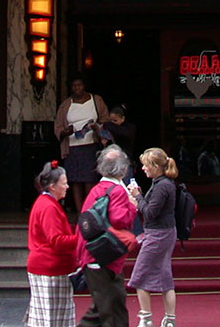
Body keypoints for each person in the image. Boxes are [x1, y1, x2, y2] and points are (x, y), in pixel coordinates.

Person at [76, 144, 137, 327]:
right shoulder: (117, 190)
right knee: (107, 309)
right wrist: (132, 206)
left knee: (111, 304)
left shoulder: (97, 189)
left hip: (95, 254)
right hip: (104, 255)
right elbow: (119, 219)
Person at [128, 148, 178, 327]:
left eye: (146, 165)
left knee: (140, 275)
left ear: (156, 166)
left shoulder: (162, 185)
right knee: (165, 276)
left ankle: (146, 317)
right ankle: (170, 319)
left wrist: (137, 197)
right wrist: (141, 198)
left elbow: (149, 213)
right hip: (166, 232)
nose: (143, 168)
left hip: (157, 233)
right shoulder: (164, 183)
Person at [25, 160, 78, 327]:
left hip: (47, 266)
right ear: (53, 186)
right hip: (50, 268)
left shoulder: (46, 203)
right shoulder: (48, 207)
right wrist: (81, 239)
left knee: (46, 319)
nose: (67, 186)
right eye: (64, 183)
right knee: (52, 320)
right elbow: (57, 241)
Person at [55, 74, 109, 213]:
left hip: (91, 146)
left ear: (84, 86)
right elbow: (58, 126)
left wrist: (97, 127)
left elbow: (105, 120)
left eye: (79, 85)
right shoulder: (66, 105)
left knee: (90, 179)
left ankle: (90, 210)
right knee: (75, 180)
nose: (77, 88)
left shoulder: (96, 100)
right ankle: (80, 212)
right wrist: (66, 132)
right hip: (72, 147)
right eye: (74, 86)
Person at [102, 104, 137, 181]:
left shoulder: (129, 128)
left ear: (122, 119)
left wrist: (108, 125)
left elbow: (124, 134)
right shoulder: (110, 129)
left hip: (126, 161)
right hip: (112, 163)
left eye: (115, 120)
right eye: (111, 120)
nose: (112, 123)